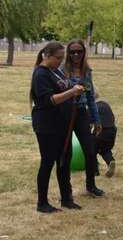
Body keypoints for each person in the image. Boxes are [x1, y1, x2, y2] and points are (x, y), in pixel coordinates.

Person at [30, 41, 85, 213]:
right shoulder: (40, 74)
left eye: (62, 58)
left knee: (64, 161)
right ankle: (42, 203)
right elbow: (50, 100)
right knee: (48, 162)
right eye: (58, 58)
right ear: (47, 56)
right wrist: (72, 92)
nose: (61, 61)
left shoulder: (55, 72)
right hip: (47, 126)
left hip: (62, 125)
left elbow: (66, 87)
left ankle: (67, 199)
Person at [63, 39, 105, 197]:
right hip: (65, 114)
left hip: (81, 113)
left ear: (83, 53)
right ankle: (65, 191)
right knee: (66, 154)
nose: (76, 55)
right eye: (72, 52)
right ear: (68, 53)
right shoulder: (62, 70)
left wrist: (97, 120)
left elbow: (90, 98)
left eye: (79, 52)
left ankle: (91, 186)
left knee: (89, 150)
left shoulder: (87, 71)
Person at [93, 89, 117, 178]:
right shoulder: (106, 104)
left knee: (92, 150)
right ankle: (110, 161)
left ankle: (95, 171)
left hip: (102, 132)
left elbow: (89, 122)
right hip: (112, 131)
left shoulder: (93, 107)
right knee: (105, 150)